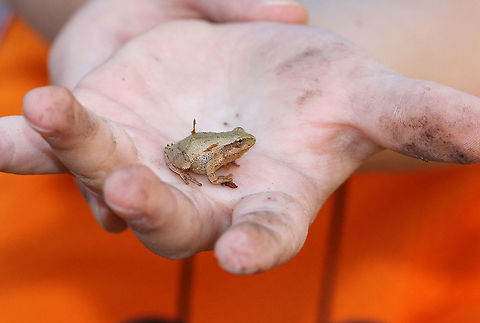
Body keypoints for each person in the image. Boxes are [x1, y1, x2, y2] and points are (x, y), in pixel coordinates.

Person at [3, 0, 480, 277]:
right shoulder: (217, 152)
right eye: (239, 146)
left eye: (240, 146)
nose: (241, 150)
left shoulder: (236, 141)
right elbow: (206, 163)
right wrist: (102, 10)